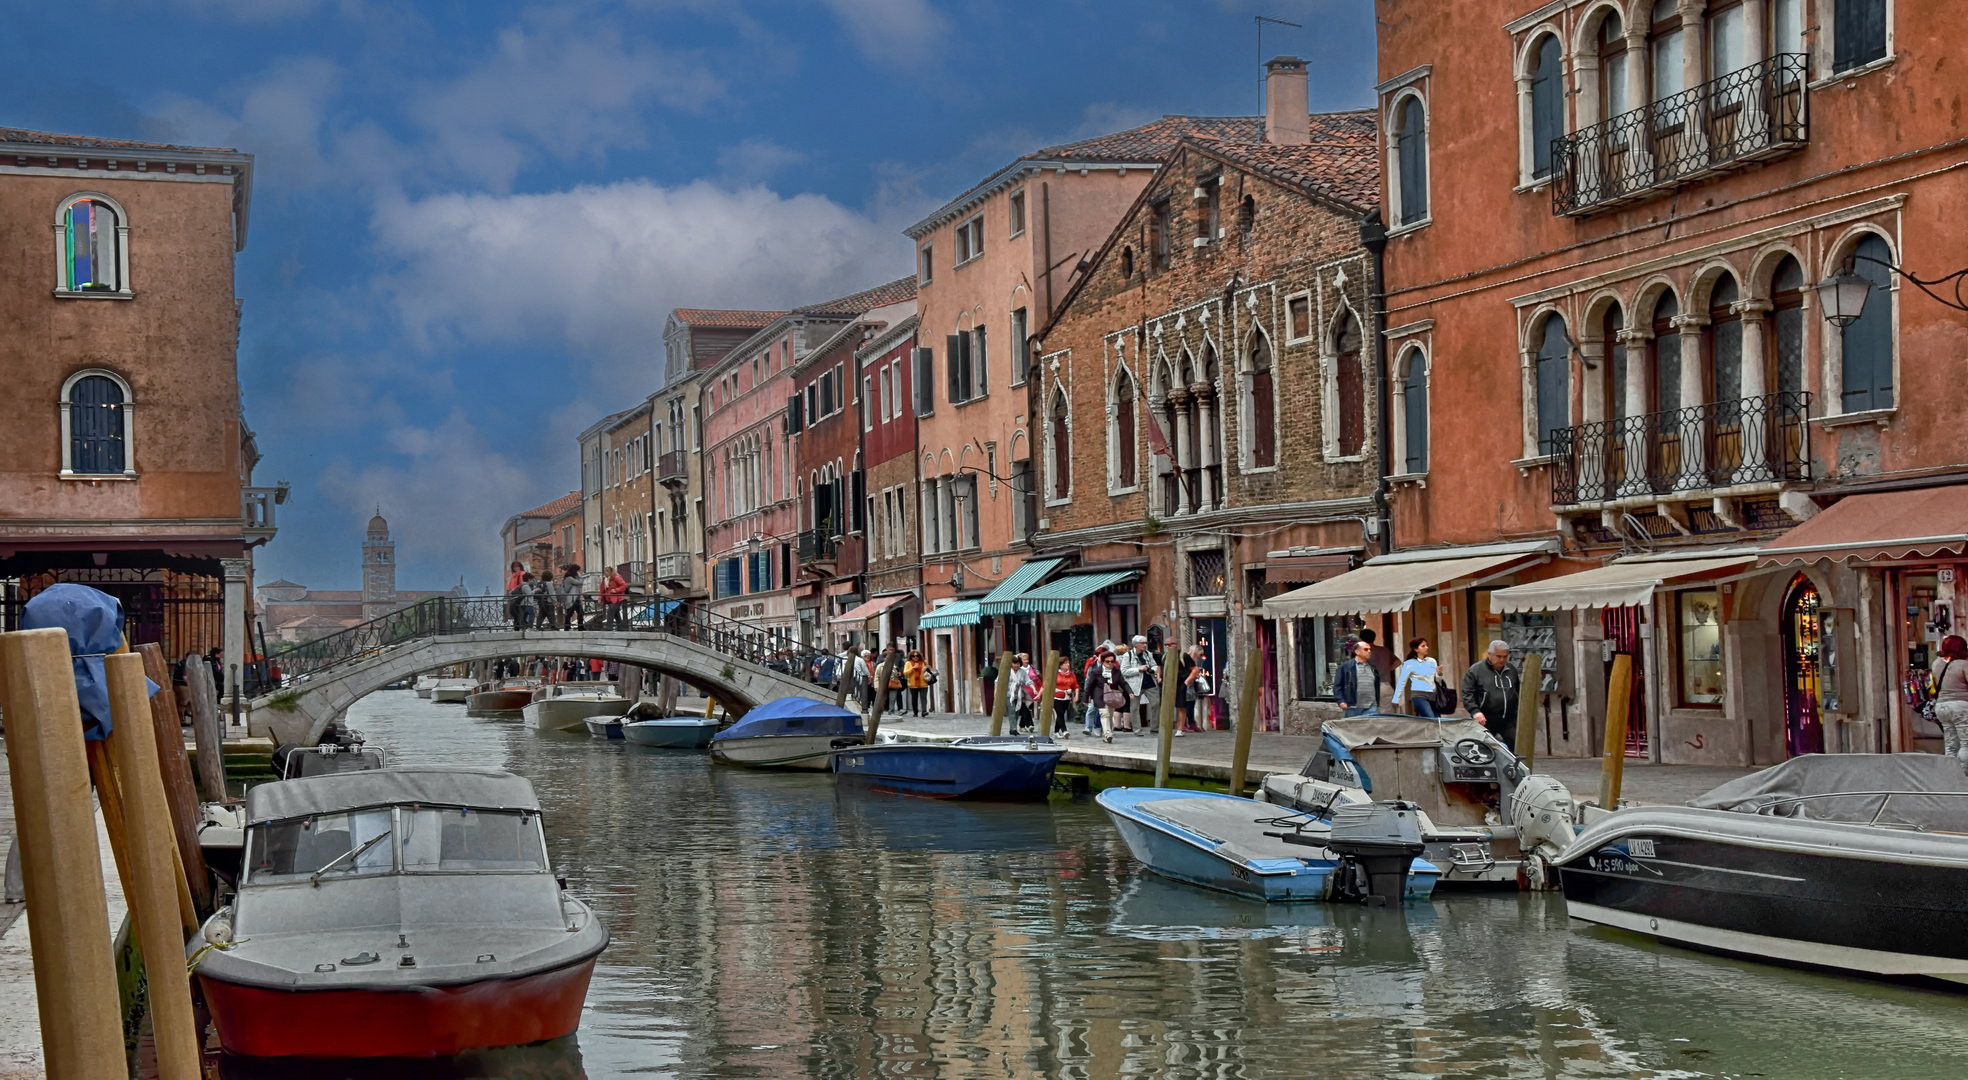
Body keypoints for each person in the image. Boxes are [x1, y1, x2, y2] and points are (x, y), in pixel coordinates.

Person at [1462, 640, 1522, 748]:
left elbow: (1517, 690)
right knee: (1482, 748)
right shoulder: (1475, 670)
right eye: (1498, 656)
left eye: (1505, 656)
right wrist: (1475, 711)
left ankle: (1515, 765)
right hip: (1485, 718)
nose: (1502, 660)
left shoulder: (1511, 670)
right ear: (1489, 654)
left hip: (1509, 718)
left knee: (1517, 746)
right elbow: (1467, 693)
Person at [1932, 634, 1968, 770]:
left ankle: (1951, 774)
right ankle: (1964, 775)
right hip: (1961, 707)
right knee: (1966, 744)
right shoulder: (1964, 665)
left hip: (1941, 706)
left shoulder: (1937, 664)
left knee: (1951, 743)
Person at [1119, 635, 1163, 737]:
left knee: (1156, 704)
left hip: (1150, 683)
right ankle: (1137, 730)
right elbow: (1124, 671)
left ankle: (1155, 728)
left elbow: (1155, 665)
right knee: (1134, 707)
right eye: (1142, 643)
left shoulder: (1148, 654)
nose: (1145, 645)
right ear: (1136, 644)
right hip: (1135, 685)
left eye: (1145, 643)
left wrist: (1153, 670)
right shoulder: (1128, 655)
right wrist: (1139, 669)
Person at [1085, 652, 1130, 742]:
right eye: (1107, 661)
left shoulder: (1116, 671)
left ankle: (1106, 735)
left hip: (1112, 696)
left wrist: (1130, 692)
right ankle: (1108, 734)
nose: (1110, 663)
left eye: (1112, 661)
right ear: (1102, 661)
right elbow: (1090, 685)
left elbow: (1123, 682)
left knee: (1109, 715)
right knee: (1104, 714)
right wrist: (1086, 698)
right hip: (1100, 696)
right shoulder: (1096, 671)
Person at [1392, 637, 1441, 718]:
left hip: (1433, 695)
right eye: (1423, 646)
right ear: (1416, 649)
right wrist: (1396, 699)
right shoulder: (1409, 664)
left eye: (1426, 645)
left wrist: (1439, 674)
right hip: (1419, 695)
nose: (1426, 648)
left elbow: (1437, 680)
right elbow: (1402, 681)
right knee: (1431, 718)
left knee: (1436, 720)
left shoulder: (1432, 661)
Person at [1332, 638, 1383, 717]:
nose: (1369, 651)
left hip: (1371, 707)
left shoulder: (1373, 667)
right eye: (1366, 649)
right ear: (1357, 652)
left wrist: (1376, 702)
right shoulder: (1346, 666)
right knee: (1352, 728)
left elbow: (1376, 685)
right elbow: (1337, 685)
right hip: (1352, 707)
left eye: (1370, 649)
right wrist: (1341, 701)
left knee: (1370, 728)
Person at [1176, 641, 1207, 734]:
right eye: (1199, 654)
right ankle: (1185, 724)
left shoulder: (1193, 659)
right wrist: (1187, 681)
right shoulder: (1186, 657)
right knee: (1185, 704)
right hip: (1186, 683)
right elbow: (1193, 670)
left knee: (1190, 703)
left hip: (1190, 684)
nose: (1200, 656)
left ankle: (1191, 722)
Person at [1008, 653, 1038, 733]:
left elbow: (1028, 681)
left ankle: (1014, 727)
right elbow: (998, 681)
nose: (1016, 665)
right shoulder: (1007, 671)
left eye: (1018, 663)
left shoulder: (1023, 672)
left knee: (1017, 711)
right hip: (1009, 694)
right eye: (1014, 663)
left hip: (1019, 694)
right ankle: (1013, 729)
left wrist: (1034, 688)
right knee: (1011, 711)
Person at [1050, 658, 1079, 737]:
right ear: (1060, 665)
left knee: (1061, 714)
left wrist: (1076, 695)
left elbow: (1076, 686)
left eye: (1068, 663)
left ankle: (1056, 731)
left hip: (1067, 697)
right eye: (1065, 663)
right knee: (1060, 713)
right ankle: (1064, 730)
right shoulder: (1055, 674)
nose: (1068, 665)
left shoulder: (1071, 674)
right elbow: (1047, 684)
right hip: (1056, 697)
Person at [556, 564, 585, 630]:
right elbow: (579, 583)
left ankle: (578, 626)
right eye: (578, 571)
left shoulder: (568, 578)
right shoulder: (569, 579)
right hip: (571, 598)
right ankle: (571, 626)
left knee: (578, 612)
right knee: (571, 612)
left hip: (575, 598)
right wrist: (580, 576)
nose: (578, 572)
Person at [904, 650, 930, 717]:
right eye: (913, 656)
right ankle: (915, 712)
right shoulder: (908, 663)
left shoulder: (924, 662)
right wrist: (913, 668)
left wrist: (928, 668)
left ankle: (924, 711)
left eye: (917, 656)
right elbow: (905, 673)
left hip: (923, 683)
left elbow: (929, 671)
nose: (915, 657)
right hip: (913, 684)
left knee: (923, 698)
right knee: (914, 698)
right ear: (911, 657)